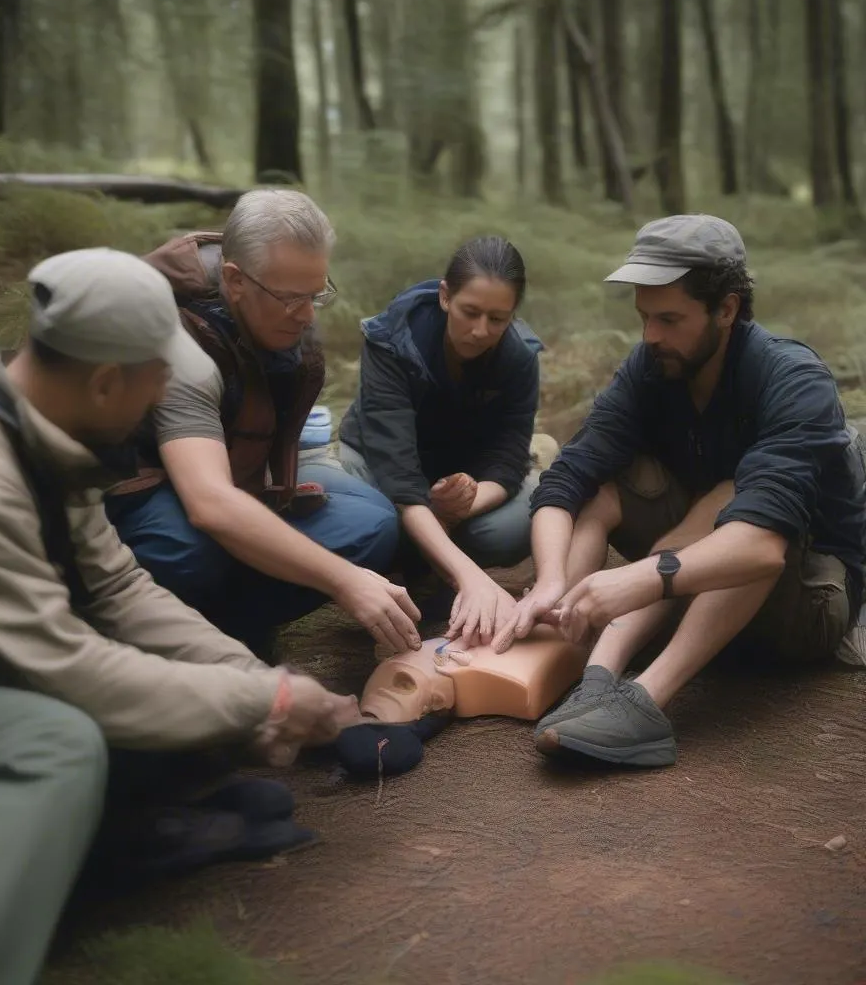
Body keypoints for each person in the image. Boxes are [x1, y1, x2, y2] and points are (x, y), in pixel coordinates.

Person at [0, 247, 359, 985]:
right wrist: (264, 701)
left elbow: (118, 592)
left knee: (187, 708)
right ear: (108, 380)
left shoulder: (41, 434)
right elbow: (60, 669)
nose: (161, 398)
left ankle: (84, 846)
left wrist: (245, 677)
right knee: (54, 744)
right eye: (158, 380)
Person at [492, 214, 866, 768]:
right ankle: (597, 674)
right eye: (644, 317)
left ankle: (648, 702)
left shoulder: (792, 379)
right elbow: (567, 479)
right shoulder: (653, 367)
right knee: (614, 480)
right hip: (700, 555)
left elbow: (760, 548)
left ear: (728, 309)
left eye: (669, 319)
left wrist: (638, 579)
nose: (651, 337)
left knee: (742, 505)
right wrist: (551, 581)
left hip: (809, 597)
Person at [105, 189, 421, 659]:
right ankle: (173, 635)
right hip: (136, 499)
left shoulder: (271, 309)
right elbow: (210, 503)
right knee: (190, 548)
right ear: (235, 281)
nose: (309, 314)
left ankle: (225, 619)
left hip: (232, 477)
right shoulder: (177, 339)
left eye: (317, 294)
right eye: (293, 299)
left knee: (371, 521)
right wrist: (344, 580)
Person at [337, 236, 544, 647]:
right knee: (370, 519)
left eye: (498, 319)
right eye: (470, 312)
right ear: (446, 296)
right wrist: (470, 578)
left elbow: (508, 458)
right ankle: (425, 548)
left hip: (460, 484)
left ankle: (426, 545)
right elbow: (396, 469)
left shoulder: (520, 357)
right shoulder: (391, 341)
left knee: (509, 527)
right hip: (382, 467)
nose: (481, 331)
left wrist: (465, 503)